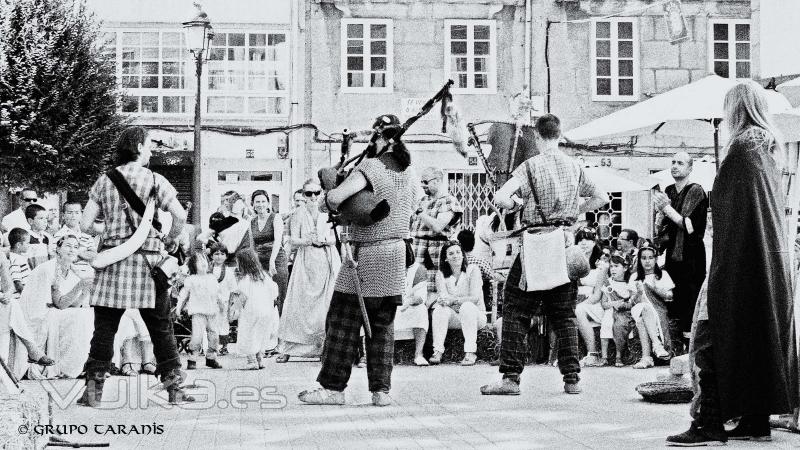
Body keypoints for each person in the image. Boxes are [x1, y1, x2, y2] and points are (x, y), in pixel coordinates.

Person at [667, 81, 799, 445]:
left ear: (735, 109)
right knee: (758, 336)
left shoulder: (742, 148)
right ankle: (756, 421)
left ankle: (708, 422)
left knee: (710, 336)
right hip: (768, 262)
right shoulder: (770, 148)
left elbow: (731, 212)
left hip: (741, 260)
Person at [480, 114, 607, 396]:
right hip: (563, 242)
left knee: (515, 309)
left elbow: (500, 198)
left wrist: (515, 203)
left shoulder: (529, 166)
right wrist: (575, 210)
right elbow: (603, 198)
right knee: (564, 314)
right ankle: (572, 378)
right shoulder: (575, 166)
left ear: (536, 136)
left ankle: (510, 378)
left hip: (535, 243)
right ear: (560, 135)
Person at [298, 114, 416, 407]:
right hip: (397, 254)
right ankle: (380, 391)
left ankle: (332, 389)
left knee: (342, 320)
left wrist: (328, 197)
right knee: (382, 325)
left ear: (380, 139)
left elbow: (336, 198)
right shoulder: (410, 175)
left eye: (371, 139)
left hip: (367, 255)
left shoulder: (371, 167)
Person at [78, 126, 192, 406]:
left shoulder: (105, 181)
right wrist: (172, 239)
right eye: (150, 145)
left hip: (112, 263)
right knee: (161, 328)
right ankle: (174, 389)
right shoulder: (155, 179)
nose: (152, 150)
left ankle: (93, 393)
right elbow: (179, 214)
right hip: (148, 264)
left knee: (104, 329)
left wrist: (109, 231)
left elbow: (84, 224)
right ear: (139, 146)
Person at [276, 179, 340, 362]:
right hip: (305, 261)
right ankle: (288, 349)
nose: (313, 197)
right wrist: (307, 241)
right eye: (308, 193)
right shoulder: (297, 214)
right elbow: (292, 240)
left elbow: (337, 238)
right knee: (298, 304)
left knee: (326, 305)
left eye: (316, 193)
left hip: (326, 260)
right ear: (303, 195)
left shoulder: (329, 213)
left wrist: (325, 241)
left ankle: (323, 349)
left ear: (322, 193)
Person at [654, 152, 708, 355]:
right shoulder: (669, 190)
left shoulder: (696, 191)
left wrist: (666, 208)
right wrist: (660, 213)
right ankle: (675, 348)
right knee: (674, 302)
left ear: (690, 168)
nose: (675, 166)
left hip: (691, 257)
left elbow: (689, 225)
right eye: (673, 162)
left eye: (680, 163)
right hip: (672, 257)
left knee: (690, 302)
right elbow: (664, 228)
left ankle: (691, 350)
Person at [18, 235, 94, 379]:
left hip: (55, 309)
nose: (72, 250)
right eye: (68, 246)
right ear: (58, 249)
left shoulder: (73, 269)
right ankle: (68, 367)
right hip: (39, 314)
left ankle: (77, 364)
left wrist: (85, 291)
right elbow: (60, 303)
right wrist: (80, 285)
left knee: (86, 314)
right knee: (79, 316)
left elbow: (74, 304)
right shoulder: (50, 269)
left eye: (75, 247)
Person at [430, 241, 487, 366]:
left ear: (463, 255)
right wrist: (447, 301)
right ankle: (438, 351)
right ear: (445, 258)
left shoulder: (473, 270)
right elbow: (444, 298)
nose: (455, 256)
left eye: (458, 252)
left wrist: (454, 300)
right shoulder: (440, 274)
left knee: (467, 307)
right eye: (451, 253)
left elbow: (474, 298)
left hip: (476, 316)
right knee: (439, 309)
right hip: (455, 317)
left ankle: (470, 352)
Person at [411, 167, 464, 295]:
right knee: (417, 290)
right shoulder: (422, 200)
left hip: (436, 253)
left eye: (425, 181)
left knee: (437, 291)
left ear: (437, 181)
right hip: (417, 251)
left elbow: (438, 227)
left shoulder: (448, 201)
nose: (422, 185)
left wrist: (419, 211)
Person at [175, 252, 223, 370]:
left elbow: (218, 294)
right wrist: (178, 307)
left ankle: (211, 357)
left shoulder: (212, 278)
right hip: (198, 312)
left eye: (204, 260)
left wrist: (222, 306)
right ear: (193, 265)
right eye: (199, 261)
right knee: (197, 336)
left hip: (212, 312)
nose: (203, 263)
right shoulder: (191, 279)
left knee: (214, 335)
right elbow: (183, 294)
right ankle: (192, 358)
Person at [628, 244, 672, 369]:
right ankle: (657, 345)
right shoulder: (634, 277)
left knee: (642, 319)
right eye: (644, 258)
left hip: (657, 309)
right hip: (638, 308)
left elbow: (669, 296)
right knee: (643, 308)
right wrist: (639, 294)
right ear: (639, 260)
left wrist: (655, 289)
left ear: (656, 259)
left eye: (650, 258)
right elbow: (632, 301)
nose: (647, 261)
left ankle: (646, 358)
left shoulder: (662, 275)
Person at [234, 249, 279, 370]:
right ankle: (260, 359)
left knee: (248, 334)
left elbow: (242, 297)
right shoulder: (265, 276)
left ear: (243, 264)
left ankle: (252, 361)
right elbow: (275, 291)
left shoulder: (245, 280)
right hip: (266, 311)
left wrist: (236, 311)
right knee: (261, 334)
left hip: (251, 311)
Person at [250, 190, 289, 315]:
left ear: (267, 204)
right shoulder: (252, 221)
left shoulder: (275, 217)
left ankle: (279, 328)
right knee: (262, 293)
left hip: (276, 259)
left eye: (263, 201)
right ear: (253, 204)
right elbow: (252, 246)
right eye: (257, 202)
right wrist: (253, 264)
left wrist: (272, 261)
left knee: (278, 293)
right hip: (260, 260)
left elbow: (278, 241)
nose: (260, 204)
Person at [394, 261, 430, 366]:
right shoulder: (384, 264)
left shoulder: (418, 269)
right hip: (388, 306)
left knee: (421, 309)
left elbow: (420, 297)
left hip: (407, 306)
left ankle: (418, 355)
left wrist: (408, 302)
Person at [209, 243, 236, 355]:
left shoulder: (229, 272)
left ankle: (223, 346)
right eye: (216, 254)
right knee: (210, 324)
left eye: (222, 254)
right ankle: (210, 346)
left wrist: (232, 306)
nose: (219, 256)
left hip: (224, 302)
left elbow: (233, 289)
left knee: (223, 323)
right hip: (210, 301)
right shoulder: (207, 269)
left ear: (226, 256)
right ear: (211, 256)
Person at [25, 203, 53, 270]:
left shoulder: (47, 238)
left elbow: (51, 257)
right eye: (41, 218)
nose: (45, 221)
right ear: (30, 221)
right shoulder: (27, 237)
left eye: (46, 218)